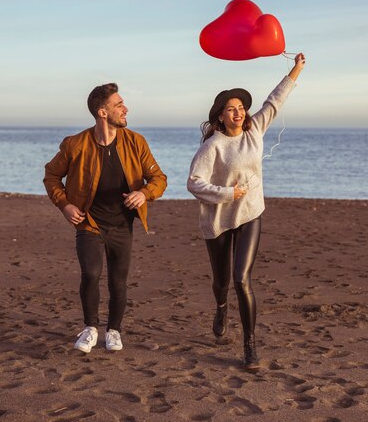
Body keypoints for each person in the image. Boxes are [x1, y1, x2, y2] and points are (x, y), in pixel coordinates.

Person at [187, 54, 306, 369]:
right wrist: (227, 193)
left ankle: (249, 346)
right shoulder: (212, 146)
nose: (238, 113)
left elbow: (276, 100)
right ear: (221, 116)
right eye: (231, 109)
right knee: (221, 281)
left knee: (242, 278)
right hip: (218, 220)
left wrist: (296, 68)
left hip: (251, 213)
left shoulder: (255, 131)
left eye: (241, 108)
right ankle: (221, 307)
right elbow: (193, 183)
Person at [44, 82, 167, 354]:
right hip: (89, 223)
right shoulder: (75, 145)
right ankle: (90, 328)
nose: (126, 108)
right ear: (102, 112)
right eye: (119, 105)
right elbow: (51, 175)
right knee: (90, 274)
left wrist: (144, 193)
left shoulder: (136, 142)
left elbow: (158, 178)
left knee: (118, 281)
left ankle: (114, 330)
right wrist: (64, 205)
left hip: (122, 225)